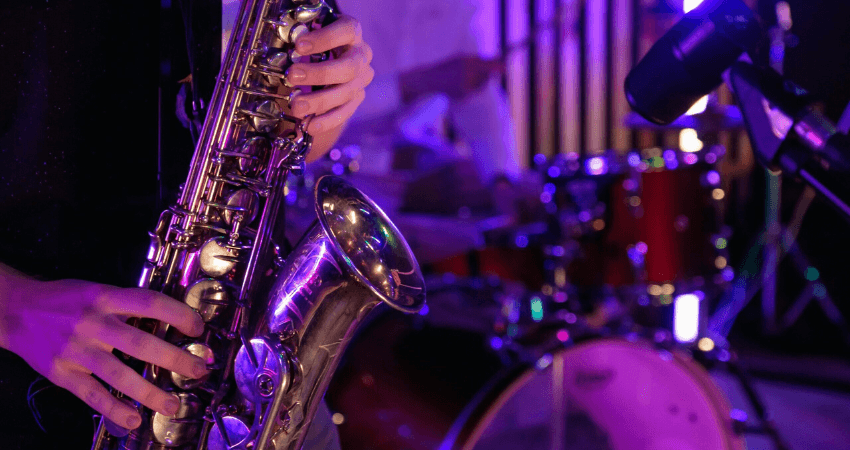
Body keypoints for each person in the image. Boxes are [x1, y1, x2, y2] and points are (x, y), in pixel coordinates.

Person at [0, 2, 372, 448]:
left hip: (246, 377)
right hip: (30, 395)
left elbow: (260, 130)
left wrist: (319, 102)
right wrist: (13, 308)